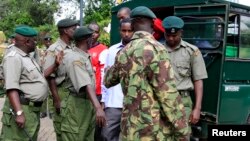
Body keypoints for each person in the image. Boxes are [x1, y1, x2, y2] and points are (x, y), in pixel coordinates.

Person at [104, 6, 189, 141]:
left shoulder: (123, 51)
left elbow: (108, 81)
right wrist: (182, 130)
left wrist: (108, 70)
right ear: (152, 23)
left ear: (132, 24)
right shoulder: (157, 50)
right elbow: (167, 95)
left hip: (129, 129)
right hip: (152, 131)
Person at [162, 16, 208, 139]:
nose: (171, 38)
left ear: (181, 33)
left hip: (183, 102)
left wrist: (197, 108)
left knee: (182, 136)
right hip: (161, 101)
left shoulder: (192, 51)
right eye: (168, 35)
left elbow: (198, 80)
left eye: (175, 35)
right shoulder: (157, 50)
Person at [0, 26, 48, 140]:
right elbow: (11, 88)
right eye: (34, 40)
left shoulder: (26, 57)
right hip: (23, 108)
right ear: (27, 41)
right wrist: (19, 113)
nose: (36, 43)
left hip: (32, 111)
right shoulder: (14, 58)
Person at [59, 26, 106, 141]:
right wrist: (98, 107)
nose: (93, 39)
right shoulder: (76, 58)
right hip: (76, 105)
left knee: (87, 136)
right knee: (75, 136)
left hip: (85, 103)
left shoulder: (83, 55)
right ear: (87, 40)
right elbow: (86, 84)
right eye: (91, 36)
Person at [43, 18, 78, 141]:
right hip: (61, 93)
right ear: (65, 31)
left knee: (71, 129)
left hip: (72, 94)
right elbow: (50, 76)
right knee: (63, 129)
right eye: (74, 29)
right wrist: (57, 100)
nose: (76, 31)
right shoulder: (54, 49)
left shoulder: (73, 47)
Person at [101, 18, 133, 141]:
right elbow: (106, 76)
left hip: (132, 103)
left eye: (129, 31)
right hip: (114, 102)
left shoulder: (140, 50)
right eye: (124, 30)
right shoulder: (112, 50)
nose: (126, 34)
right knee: (107, 135)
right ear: (119, 31)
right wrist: (104, 100)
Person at [88, 22, 108, 141]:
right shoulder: (82, 47)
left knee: (97, 126)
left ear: (99, 34)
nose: (93, 34)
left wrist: (103, 99)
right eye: (91, 31)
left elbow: (104, 74)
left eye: (96, 32)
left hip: (98, 93)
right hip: (85, 92)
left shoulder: (103, 50)